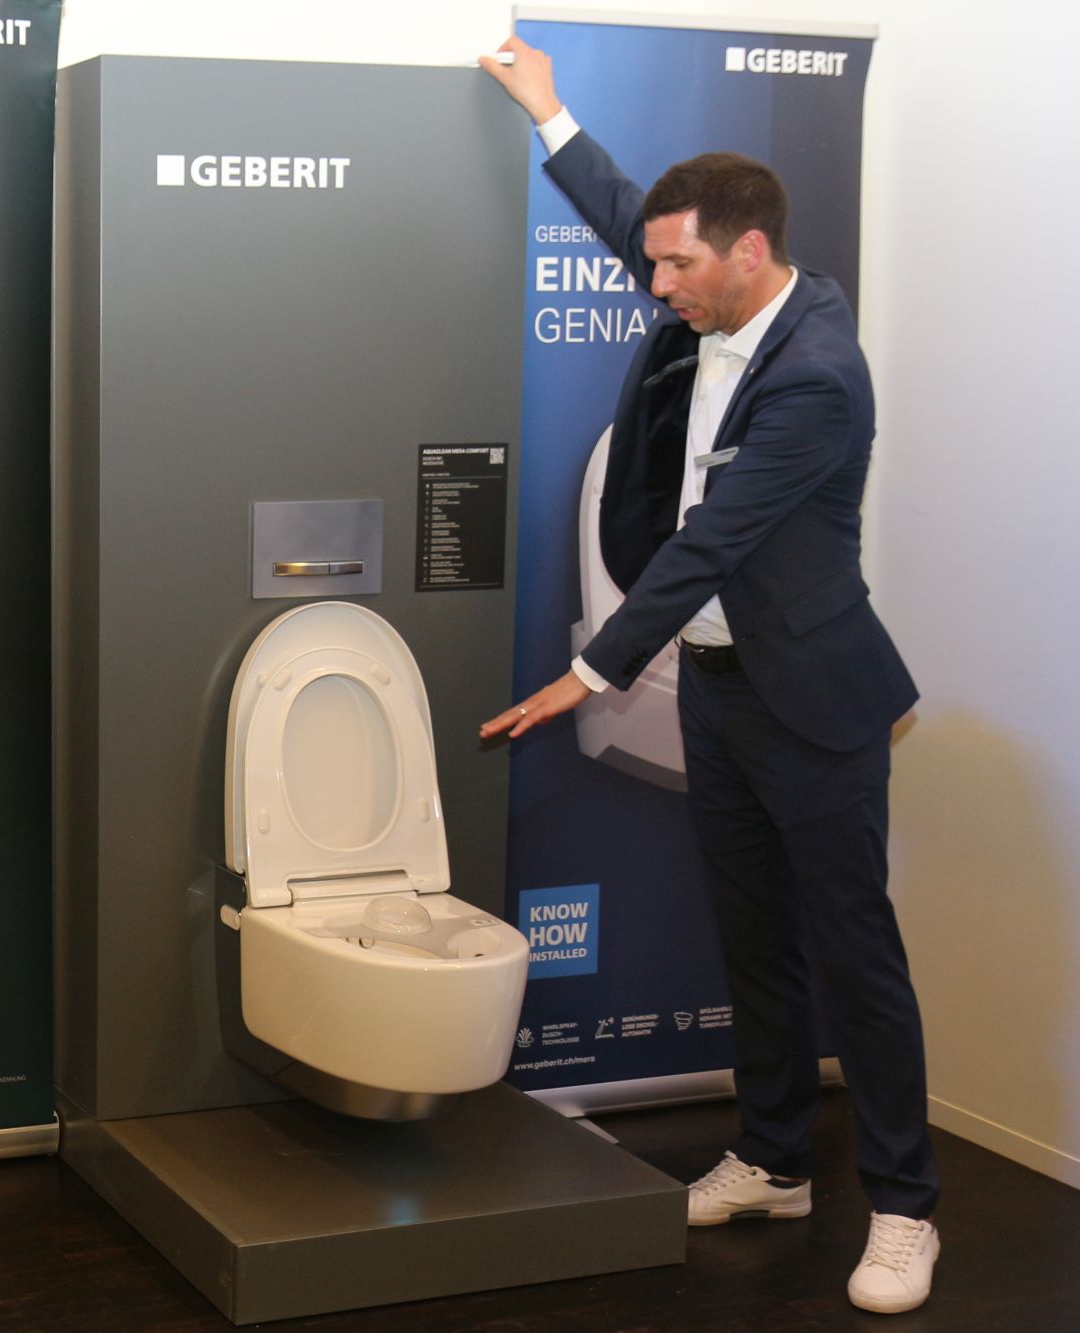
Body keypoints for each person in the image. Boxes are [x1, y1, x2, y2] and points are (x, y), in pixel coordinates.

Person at [476, 35, 940, 1315]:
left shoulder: (818, 376)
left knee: (854, 956)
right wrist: (550, 113)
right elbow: (634, 213)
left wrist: (590, 671)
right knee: (752, 939)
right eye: (657, 262)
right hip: (723, 691)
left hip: (817, 702)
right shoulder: (714, 289)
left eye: (677, 265)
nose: (655, 281)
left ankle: (904, 1209)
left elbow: (713, 543)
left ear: (749, 252)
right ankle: (775, 1161)